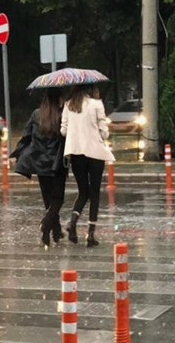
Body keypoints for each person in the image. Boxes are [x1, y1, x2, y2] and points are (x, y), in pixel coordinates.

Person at [9, 88, 68, 246]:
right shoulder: (63, 115)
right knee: (58, 199)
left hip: (39, 163)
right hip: (56, 163)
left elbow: (26, 136)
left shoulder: (36, 114)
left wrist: (17, 153)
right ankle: (45, 225)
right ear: (59, 98)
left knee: (48, 200)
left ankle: (52, 233)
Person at [60, 84, 114, 247]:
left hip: (76, 153)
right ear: (89, 89)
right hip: (94, 153)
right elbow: (104, 132)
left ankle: (73, 223)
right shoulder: (97, 104)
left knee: (83, 191)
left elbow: (63, 131)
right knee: (94, 193)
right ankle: (90, 234)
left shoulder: (68, 105)